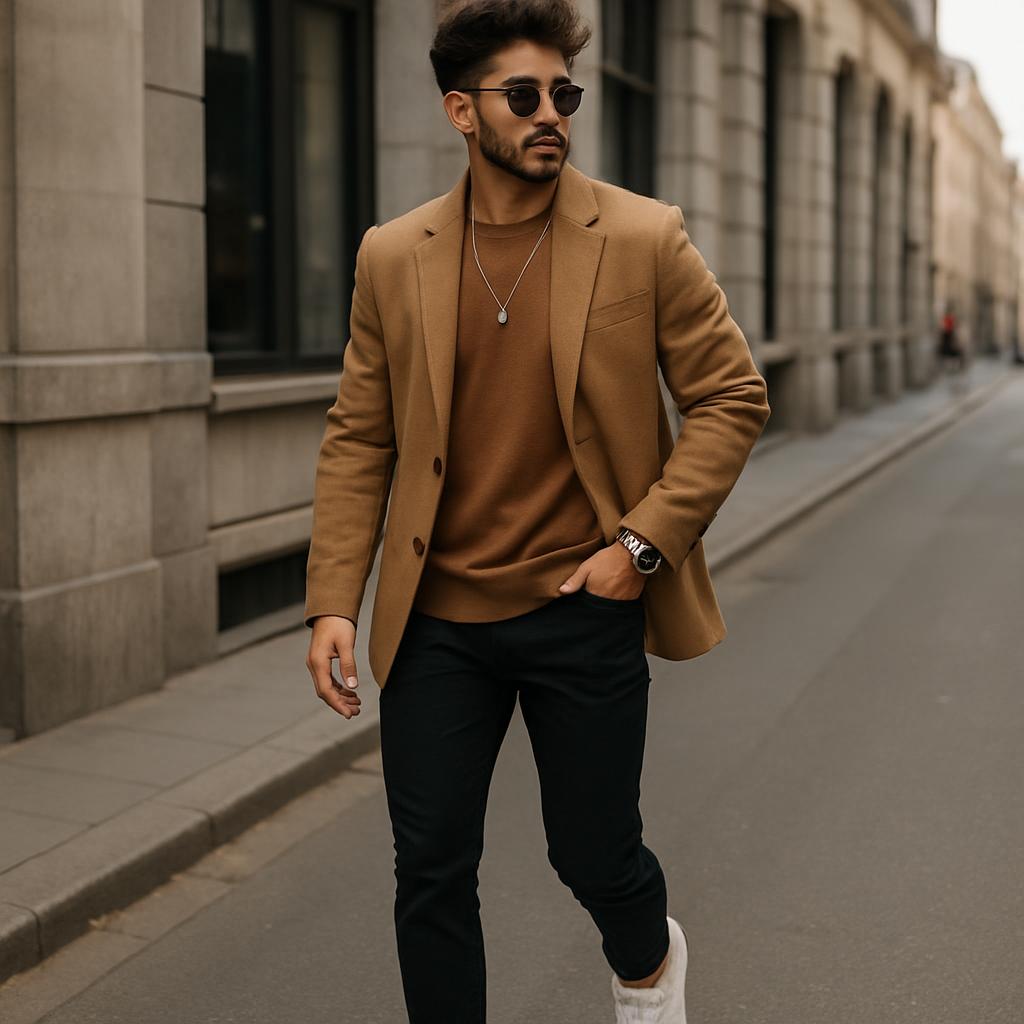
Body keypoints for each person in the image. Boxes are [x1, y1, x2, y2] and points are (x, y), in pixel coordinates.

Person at [304, 2, 770, 1021]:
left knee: (594, 854)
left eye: (565, 93)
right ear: (461, 112)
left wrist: (638, 547)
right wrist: (335, 598)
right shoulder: (394, 254)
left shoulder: (643, 237)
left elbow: (731, 397)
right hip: (435, 619)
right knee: (429, 869)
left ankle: (646, 965)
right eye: (526, 95)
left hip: (582, 602)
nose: (551, 112)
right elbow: (360, 434)